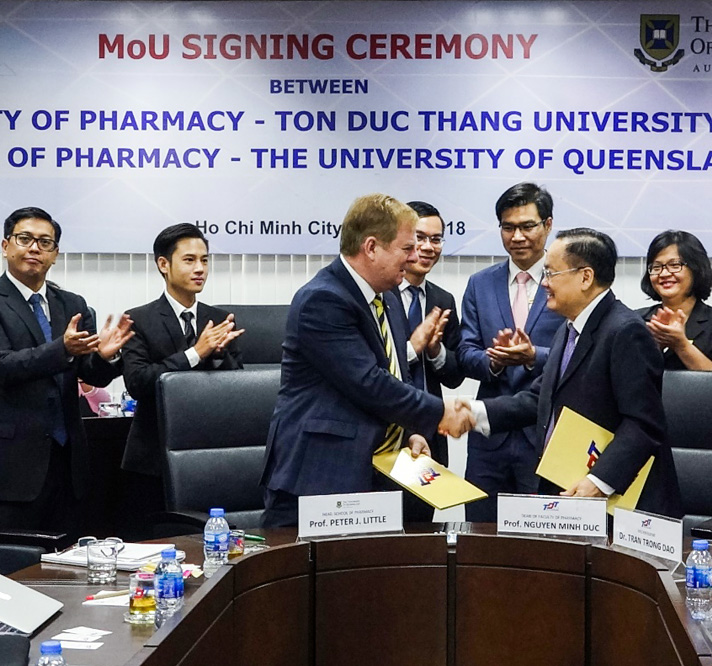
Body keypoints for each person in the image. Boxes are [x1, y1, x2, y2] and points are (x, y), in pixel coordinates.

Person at [260, 193, 473, 527]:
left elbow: (393, 373)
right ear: (372, 247)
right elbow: (368, 383)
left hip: (378, 478)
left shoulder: (385, 297)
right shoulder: (323, 300)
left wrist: (410, 431)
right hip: (322, 479)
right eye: (406, 248)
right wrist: (441, 412)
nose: (415, 256)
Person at [465, 229, 682, 517]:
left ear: (585, 277)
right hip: (575, 497)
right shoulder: (569, 329)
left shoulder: (625, 331)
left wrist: (599, 481)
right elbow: (538, 399)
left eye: (551, 273)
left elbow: (643, 424)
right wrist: (472, 413)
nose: (544, 283)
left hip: (622, 507)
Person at [0, 206, 133, 532]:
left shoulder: (72, 304)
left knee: (68, 569)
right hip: (13, 466)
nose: (34, 248)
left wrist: (106, 357)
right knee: (14, 571)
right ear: (5, 246)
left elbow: (91, 374)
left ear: (55, 254)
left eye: (45, 242)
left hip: (69, 462)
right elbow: (4, 366)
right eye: (25, 239)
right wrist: (61, 349)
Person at [456, 182, 565, 522]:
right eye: (508, 227)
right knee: (480, 535)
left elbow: (580, 355)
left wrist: (533, 356)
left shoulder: (567, 281)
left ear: (547, 225)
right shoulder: (480, 283)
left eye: (527, 226)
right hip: (490, 440)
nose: (517, 236)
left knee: (542, 540)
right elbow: (465, 351)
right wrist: (495, 361)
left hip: (545, 435)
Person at [121, 223, 244, 512]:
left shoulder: (221, 320)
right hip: (153, 458)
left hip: (211, 455)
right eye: (189, 260)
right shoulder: (139, 319)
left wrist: (218, 355)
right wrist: (195, 353)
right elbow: (138, 382)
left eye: (204, 260)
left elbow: (239, 389)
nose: (200, 268)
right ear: (163, 264)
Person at [393, 200, 465, 522]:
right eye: (419, 238)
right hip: (390, 432)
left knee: (423, 537)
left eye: (436, 239)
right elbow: (376, 371)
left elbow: (454, 376)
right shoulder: (381, 296)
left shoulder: (442, 300)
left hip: (431, 433)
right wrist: (413, 346)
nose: (427, 247)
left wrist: (435, 351)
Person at [637, 230, 712, 371]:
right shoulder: (635, 320)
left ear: (696, 268)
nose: (664, 273)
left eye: (675, 265)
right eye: (656, 267)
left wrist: (681, 345)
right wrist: (654, 347)